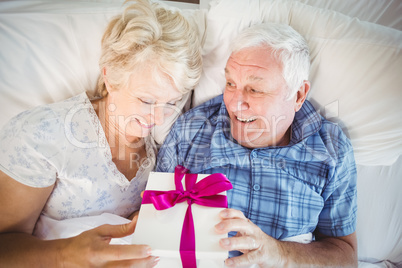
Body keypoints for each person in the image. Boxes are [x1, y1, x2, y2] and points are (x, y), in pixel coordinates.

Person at [0, 0, 202, 267]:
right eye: (146, 100)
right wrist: (66, 255)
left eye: (172, 102)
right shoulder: (41, 135)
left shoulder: (167, 143)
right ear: (110, 76)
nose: (158, 117)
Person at [156, 22, 358, 267]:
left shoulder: (331, 149)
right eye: (231, 84)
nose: (235, 103)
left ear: (298, 95)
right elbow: (154, 222)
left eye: (255, 89)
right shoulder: (190, 131)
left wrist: (279, 253)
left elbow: (345, 255)